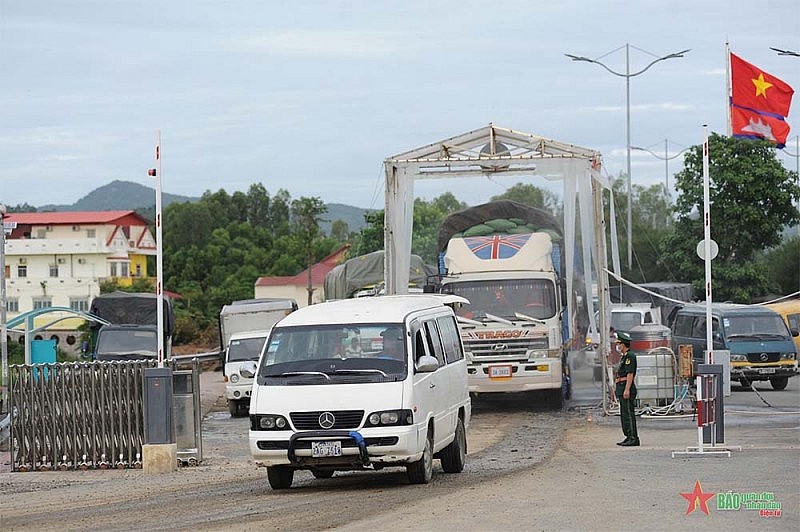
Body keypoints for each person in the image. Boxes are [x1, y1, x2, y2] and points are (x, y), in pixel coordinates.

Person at [614, 331, 639, 447]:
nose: (618, 346)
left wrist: (627, 389)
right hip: (621, 387)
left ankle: (633, 437)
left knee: (629, 414)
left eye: (619, 344)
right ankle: (628, 436)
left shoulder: (630, 356)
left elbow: (630, 374)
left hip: (626, 387)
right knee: (624, 414)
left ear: (623, 345)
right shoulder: (624, 357)